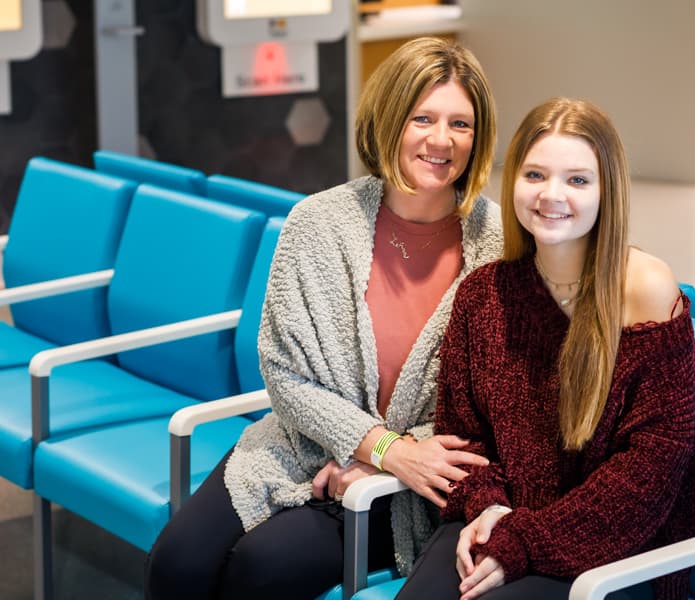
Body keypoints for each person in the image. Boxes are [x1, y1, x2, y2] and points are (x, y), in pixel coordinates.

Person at [144, 37, 504, 599]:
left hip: (420, 487)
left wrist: (389, 465)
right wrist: (379, 447)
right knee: (176, 562)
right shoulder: (316, 222)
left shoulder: (499, 244)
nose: (441, 140)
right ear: (389, 121)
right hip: (300, 445)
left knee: (260, 569)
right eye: (422, 118)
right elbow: (284, 373)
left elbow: (497, 402)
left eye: (461, 124)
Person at [395, 97, 695, 600]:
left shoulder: (644, 287)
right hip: (505, 523)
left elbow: (652, 468)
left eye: (577, 180)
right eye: (535, 175)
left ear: (608, 191)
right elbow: (463, 440)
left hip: (615, 553)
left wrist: (522, 540)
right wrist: (490, 509)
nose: (551, 195)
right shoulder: (483, 294)